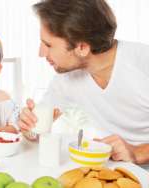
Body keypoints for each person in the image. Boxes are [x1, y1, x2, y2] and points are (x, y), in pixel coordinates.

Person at [18, 0, 149, 165]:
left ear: (81, 47)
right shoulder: (67, 77)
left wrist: (138, 153)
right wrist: (29, 125)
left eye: (48, 45)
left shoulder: (143, 63)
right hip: (117, 164)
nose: (41, 53)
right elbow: (36, 131)